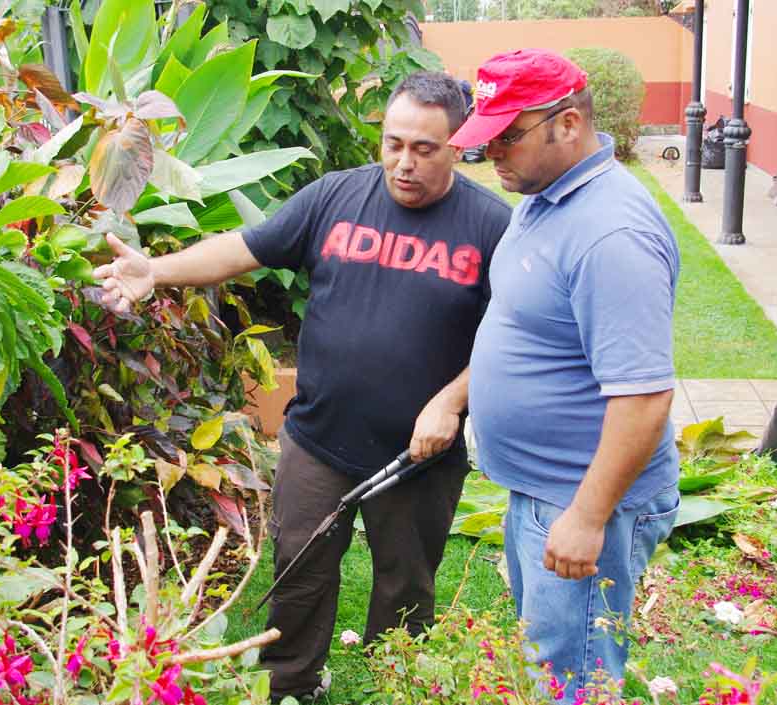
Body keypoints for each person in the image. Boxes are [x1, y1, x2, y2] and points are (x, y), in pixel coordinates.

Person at [93, 71, 512, 701]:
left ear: (458, 146)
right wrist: (156, 271)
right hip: (320, 437)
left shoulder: (490, 226)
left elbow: (513, 334)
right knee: (299, 573)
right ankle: (290, 687)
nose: (403, 162)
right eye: (392, 143)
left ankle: (395, 685)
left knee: (407, 583)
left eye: (424, 149)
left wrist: (452, 402)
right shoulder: (336, 198)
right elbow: (243, 248)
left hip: (416, 454)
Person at [450, 49, 681, 696]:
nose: (492, 152)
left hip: (580, 499)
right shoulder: (545, 195)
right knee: (547, 664)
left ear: (570, 124)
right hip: (543, 488)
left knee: (570, 680)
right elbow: (526, 327)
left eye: (508, 136)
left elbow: (644, 397)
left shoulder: (612, 235)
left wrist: (587, 514)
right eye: (486, 138)